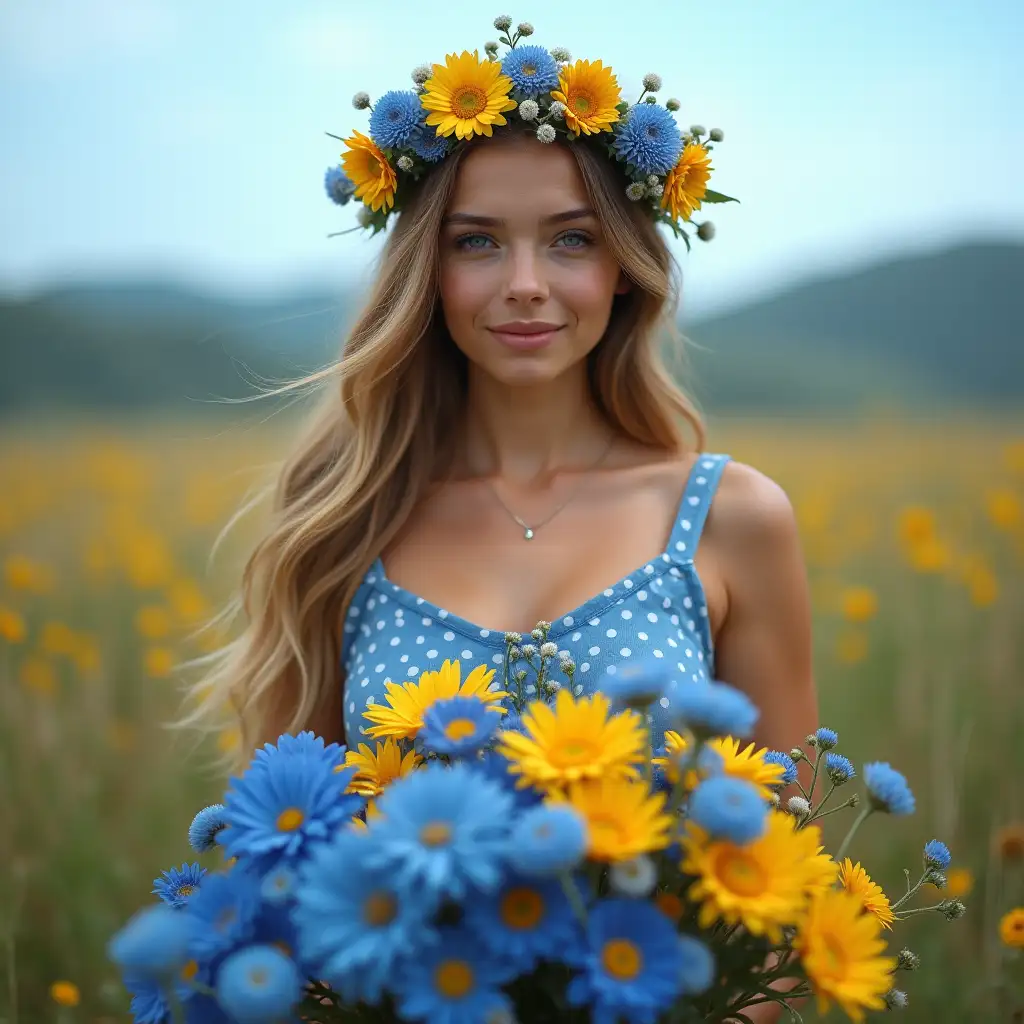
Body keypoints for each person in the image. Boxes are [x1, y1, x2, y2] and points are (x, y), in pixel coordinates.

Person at [186, 28, 818, 1024]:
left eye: (570, 238)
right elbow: (287, 872)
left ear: (626, 266)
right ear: (424, 274)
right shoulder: (345, 523)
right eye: (475, 240)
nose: (525, 280)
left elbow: (782, 891)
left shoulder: (731, 518)